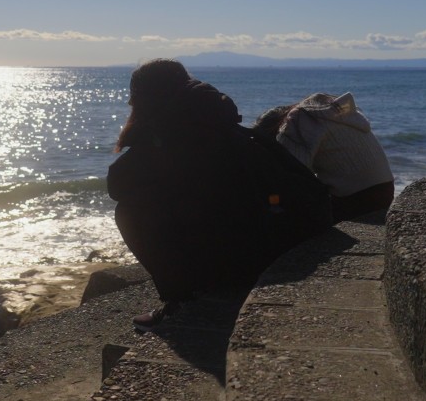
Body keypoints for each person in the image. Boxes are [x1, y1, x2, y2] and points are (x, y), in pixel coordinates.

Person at [107, 60, 327, 331]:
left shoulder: (169, 132)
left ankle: (179, 301)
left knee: (129, 211)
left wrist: (142, 136)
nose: (130, 103)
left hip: (234, 257)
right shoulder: (220, 122)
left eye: (134, 96)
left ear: (145, 97)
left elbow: (117, 185)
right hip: (268, 241)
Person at [255, 92, 394, 222]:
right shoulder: (324, 111)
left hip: (356, 200)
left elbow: (293, 174)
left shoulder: (293, 123)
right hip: (385, 191)